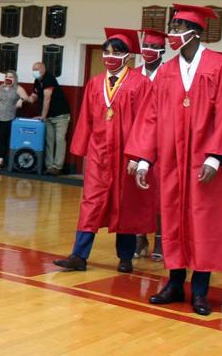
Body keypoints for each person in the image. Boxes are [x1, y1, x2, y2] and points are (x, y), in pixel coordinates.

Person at [126, 4, 222, 316]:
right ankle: (175, 283)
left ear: (194, 32)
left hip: (205, 162)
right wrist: (143, 160)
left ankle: (201, 291)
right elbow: (151, 118)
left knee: (204, 222)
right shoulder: (165, 72)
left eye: (178, 29)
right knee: (173, 221)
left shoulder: (220, 66)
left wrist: (216, 157)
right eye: (172, 28)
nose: (172, 35)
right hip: (173, 161)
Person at [53, 28, 156, 273]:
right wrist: (84, 150)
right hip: (99, 154)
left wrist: (139, 155)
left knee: (125, 204)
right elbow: (86, 118)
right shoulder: (95, 82)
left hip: (126, 155)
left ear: (128, 56)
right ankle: (78, 255)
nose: (110, 57)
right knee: (91, 202)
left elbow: (147, 121)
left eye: (116, 52)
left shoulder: (140, 83)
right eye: (106, 52)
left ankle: (125, 257)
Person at [136, 29, 167, 260]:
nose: (149, 51)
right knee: (136, 194)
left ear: (162, 51)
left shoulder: (169, 75)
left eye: (154, 48)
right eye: (146, 46)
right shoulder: (134, 75)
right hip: (136, 139)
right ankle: (139, 239)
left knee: (158, 195)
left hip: (161, 142)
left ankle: (160, 240)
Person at [25, 60, 71, 175]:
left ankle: (57, 166)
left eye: (36, 70)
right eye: (33, 70)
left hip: (60, 115)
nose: (34, 72)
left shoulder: (49, 78)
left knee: (60, 140)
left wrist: (42, 117)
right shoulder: (37, 81)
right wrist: (22, 98)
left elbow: (47, 98)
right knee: (49, 140)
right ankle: (49, 166)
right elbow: (33, 97)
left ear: (43, 69)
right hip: (48, 117)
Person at [0, 70, 29, 170]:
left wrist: (21, 100)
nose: (8, 78)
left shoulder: (18, 88)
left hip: (8, 118)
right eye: (7, 76)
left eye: (11, 77)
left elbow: (26, 97)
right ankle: (2, 158)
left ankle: (1, 161)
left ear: (15, 79)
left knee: (3, 138)